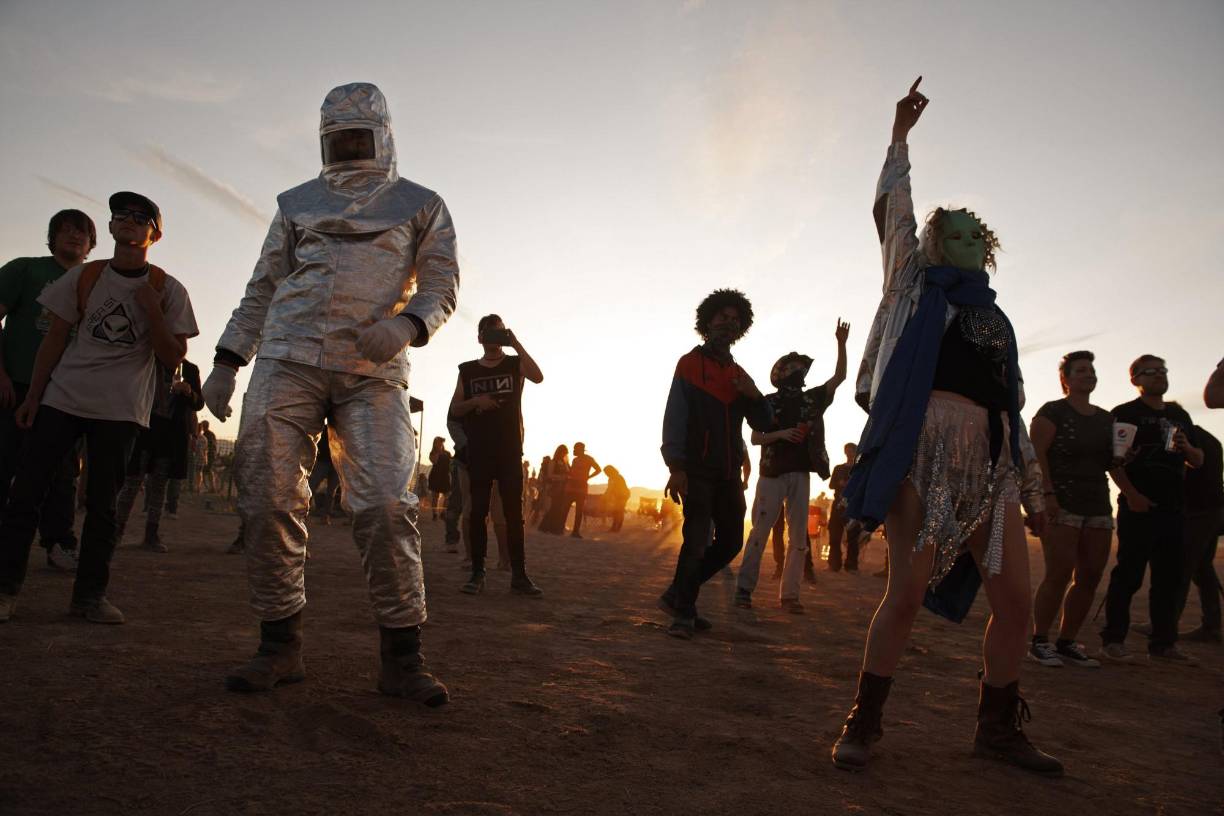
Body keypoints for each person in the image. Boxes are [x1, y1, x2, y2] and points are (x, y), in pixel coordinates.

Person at [831, 80, 1060, 776]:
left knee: (1017, 603)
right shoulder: (911, 284)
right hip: (921, 455)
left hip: (990, 463)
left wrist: (1032, 483)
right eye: (947, 230)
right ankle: (863, 722)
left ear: (984, 248)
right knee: (905, 592)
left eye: (970, 233)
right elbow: (893, 211)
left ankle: (996, 727)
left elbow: (1009, 402)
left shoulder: (996, 319)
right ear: (932, 243)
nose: (957, 237)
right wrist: (899, 137)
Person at [202, 83, 457, 705]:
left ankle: (403, 657)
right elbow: (264, 283)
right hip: (287, 357)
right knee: (264, 498)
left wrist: (407, 324)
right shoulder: (296, 204)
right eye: (337, 141)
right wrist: (228, 359)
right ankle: (278, 647)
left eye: (357, 139)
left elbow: (442, 282)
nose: (347, 151)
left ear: (384, 137)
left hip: (371, 367)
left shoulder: (421, 204)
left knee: (384, 506)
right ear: (322, 141)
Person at [0, 192, 197, 624]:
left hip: (121, 410)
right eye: (119, 215)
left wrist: (153, 313)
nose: (127, 221)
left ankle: (89, 597)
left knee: (103, 507)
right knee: (26, 492)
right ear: (109, 229)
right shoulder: (84, 278)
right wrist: (33, 396)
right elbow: (54, 339)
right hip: (63, 398)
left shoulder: (167, 289)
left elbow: (172, 357)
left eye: (139, 216)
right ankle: (6, 589)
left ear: (155, 234)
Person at [658, 288, 772, 639]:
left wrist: (754, 396)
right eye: (722, 317)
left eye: (735, 320)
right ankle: (684, 612)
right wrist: (676, 467)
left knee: (731, 542)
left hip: (728, 474)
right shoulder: (689, 364)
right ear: (707, 323)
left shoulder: (739, 374)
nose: (729, 323)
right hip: (696, 470)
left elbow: (764, 424)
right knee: (694, 541)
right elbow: (674, 418)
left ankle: (678, 594)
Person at [0, 209, 98, 571]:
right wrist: (2, 375)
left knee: (63, 472)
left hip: (66, 392)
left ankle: (59, 542)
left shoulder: (95, 282)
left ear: (91, 243)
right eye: (66, 230)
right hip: (16, 384)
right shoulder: (26, 269)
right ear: (53, 236)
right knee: (5, 462)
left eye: (82, 233)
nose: (74, 237)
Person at [735, 321, 849, 613]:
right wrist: (781, 434)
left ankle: (790, 596)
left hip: (800, 473)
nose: (798, 372)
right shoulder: (768, 402)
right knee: (760, 530)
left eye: (800, 368)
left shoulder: (812, 399)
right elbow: (755, 436)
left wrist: (841, 343)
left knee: (799, 536)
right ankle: (744, 590)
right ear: (781, 374)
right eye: (792, 368)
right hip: (771, 474)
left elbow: (839, 377)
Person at [1099, 355, 1203, 663]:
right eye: (1151, 372)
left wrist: (1186, 448)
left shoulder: (1179, 415)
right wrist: (1131, 495)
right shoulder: (1125, 414)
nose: (1159, 375)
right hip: (1139, 507)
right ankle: (1113, 640)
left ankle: (1163, 644)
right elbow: (1112, 462)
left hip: (1173, 509)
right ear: (1135, 380)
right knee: (1128, 576)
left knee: (1169, 580)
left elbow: (1198, 460)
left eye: (1163, 371)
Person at [1027, 351, 1113, 668]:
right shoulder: (1053, 412)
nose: (1088, 374)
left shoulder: (1106, 420)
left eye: (1092, 370)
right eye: (1081, 370)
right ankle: (1040, 641)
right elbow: (1036, 454)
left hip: (1098, 504)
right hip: (1062, 501)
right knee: (1059, 572)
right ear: (1066, 379)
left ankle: (1066, 642)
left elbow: (1111, 463)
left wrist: (1131, 491)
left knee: (1090, 575)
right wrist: (1047, 494)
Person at [449, 314, 543, 596]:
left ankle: (519, 575)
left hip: (510, 450)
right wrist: (476, 401)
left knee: (514, 515)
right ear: (479, 338)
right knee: (478, 513)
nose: (492, 337)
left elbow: (538, 377)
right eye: (488, 333)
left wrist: (515, 343)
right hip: (479, 451)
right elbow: (455, 409)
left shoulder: (515, 364)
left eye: (498, 332)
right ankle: (478, 572)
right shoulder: (467, 370)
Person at [115, 358, 203, 551]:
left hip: (169, 439)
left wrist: (189, 393)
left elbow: (199, 403)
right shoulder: (149, 360)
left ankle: (151, 535)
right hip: (144, 431)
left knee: (159, 486)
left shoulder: (189, 369)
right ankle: (116, 532)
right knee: (131, 483)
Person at [1177, 424, 1221, 643]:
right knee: (1202, 567)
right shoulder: (1210, 438)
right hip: (1214, 510)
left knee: (1183, 567)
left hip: (1199, 511)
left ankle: (1165, 623)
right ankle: (1211, 625)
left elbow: (1183, 472)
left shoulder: (1185, 435)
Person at [559, 442, 601, 538]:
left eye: (575, 449)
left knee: (578, 511)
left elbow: (598, 469)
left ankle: (575, 532)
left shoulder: (589, 459)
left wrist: (588, 477)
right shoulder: (575, 460)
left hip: (581, 488)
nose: (573, 451)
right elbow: (572, 471)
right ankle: (561, 529)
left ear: (580, 449)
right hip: (571, 487)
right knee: (565, 509)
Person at [827, 444, 857, 572]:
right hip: (838, 506)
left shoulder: (860, 469)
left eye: (851, 451)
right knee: (834, 536)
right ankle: (834, 564)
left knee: (853, 537)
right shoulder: (838, 468)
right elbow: (831, 485)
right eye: (847, 451)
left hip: (854, 506)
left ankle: (851, 566)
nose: (849, 453)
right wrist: (840, 483)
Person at [538, 445, 570, 533]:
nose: (565, 455)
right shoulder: (553, 462)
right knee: (555, 507)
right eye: (564, 453)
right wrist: (561, 477)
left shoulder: (565, 463)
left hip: (563, 488)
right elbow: (550, 475)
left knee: (559, 508)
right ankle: (546, 527)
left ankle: (552, 527)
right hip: (556, 487)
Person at [428, 436, 451, 520]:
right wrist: (437, 451)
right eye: (438, 442)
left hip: (445, 477)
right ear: (434, 444)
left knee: (448, 495)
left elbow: (450, 465)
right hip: (435, 476)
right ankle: (434, 514)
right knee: (435, 496)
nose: (440, 444)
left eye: (441, 442)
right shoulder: (432, 453)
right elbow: (434, 461)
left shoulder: (447, 453)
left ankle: (443, 512)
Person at [604, 465, 631, 532]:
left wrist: (606, 495)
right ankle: (616, 527)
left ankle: (615, 528)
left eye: (606, 472)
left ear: (610, 471)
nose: (606, 474)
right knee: (618, 511)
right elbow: (610, 488)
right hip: (621, 495)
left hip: (622, 495)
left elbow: (610, 488)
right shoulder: (616, 477)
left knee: (618, 511)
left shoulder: (615, 477)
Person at [199, 420, 218, 493]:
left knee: (207, 470)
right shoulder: (210, 434)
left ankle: (211, 488)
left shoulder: (206, 434)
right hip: (211, 455)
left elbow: (208, 446)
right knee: (207, 470)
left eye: (202, 425)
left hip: (209, 455)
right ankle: (210, 487)